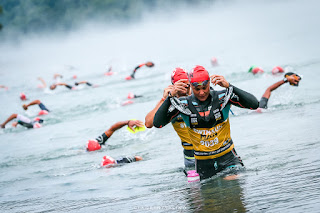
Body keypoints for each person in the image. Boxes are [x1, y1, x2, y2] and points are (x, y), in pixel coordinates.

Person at [153, 65, 259, 180]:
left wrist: (230, 86)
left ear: (209, 83)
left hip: (228, 159)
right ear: (191, 87)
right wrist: (169, 97)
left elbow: (254, 104)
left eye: (205, 87)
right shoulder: (183, 104)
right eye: (197, 89)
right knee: (210, 196)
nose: (202, 92)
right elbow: (157, 123)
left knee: (232, 184)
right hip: (203, 165)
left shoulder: (222, 97)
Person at [145, 67, 195, 169]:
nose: (184, 90)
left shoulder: (198, 94)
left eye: (186, 85)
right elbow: (148, 123)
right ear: (173, 86)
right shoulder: (170, 102)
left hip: (208, 148)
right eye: (180, 86)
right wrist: (164, 99)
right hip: (190, 155)